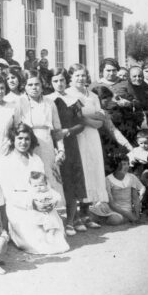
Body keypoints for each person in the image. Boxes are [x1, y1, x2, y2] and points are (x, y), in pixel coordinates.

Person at [0, 123, 69, 254]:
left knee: (57, 239)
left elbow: (45, 184)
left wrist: (50, 201)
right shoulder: (5, 162)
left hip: (40, 201)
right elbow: (8, 194)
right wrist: (32, 204)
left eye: (27, 139)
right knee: (36, 242)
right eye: (19, 138)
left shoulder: (36, 159)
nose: (23, 142)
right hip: (19, 206)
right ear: (13, 140)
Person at [65, 64, 111, 225]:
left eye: (83, 75)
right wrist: (90, 119)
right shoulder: (67, 94)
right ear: (71, 77)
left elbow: (101, 121)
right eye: (77, 75)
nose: (80, 78)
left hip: (92, 137)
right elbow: (77, 119)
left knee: (92, 170)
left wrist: (86, 119)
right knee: (80, 171)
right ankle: (75, 216)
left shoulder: (93, 95)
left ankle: (86, 214)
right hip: (77, 137)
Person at [14, 70, 66, 204]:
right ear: (25, 87)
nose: (34, 88)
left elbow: (57, 129)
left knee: (51, 177)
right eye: (30, 85)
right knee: (32, 177)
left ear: (42, 86)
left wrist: (61, 150)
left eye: (37, 84)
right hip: (28, 144)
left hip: (47, 144)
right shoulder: (19, 102)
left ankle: (55, 210)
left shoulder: (50, 103)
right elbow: (16, 128)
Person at [48, 69, 88, 235]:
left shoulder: (74, 100)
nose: (59, 84)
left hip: (69, 143)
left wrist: (67, 131)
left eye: (62, 80)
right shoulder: (47, 100)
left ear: (66, 81)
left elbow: (81, 124)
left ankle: (72, 220)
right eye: (55, 81)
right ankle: (56, 220)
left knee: (70, 180)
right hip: (50, 142)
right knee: (56, 179)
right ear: (51, 82)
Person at [104, 155, 144, 225]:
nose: (127, 166)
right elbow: (111, 204)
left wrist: (137, 216)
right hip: (115, 210)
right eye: (124, 164)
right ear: (117, 165)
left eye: (128, 164)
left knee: (118, 219)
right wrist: (130, 216)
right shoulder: (108, 179)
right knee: (114, 220)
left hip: (128, 209)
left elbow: (135, 198)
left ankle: (128, 218)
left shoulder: (132, 177)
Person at [27, 172, 64, 243]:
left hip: (49, 211)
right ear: (31, 186)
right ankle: (39, 233)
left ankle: (51, 234)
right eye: (35, 186)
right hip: (37, 211)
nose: (38, 187)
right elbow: (27, 201)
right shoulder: (32, 193)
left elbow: (58, 197)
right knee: (36, 222)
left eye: (41, 185)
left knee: (52, 221)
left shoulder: (49, 191)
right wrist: (32, 204)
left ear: (46, 183)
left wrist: (53, 201)